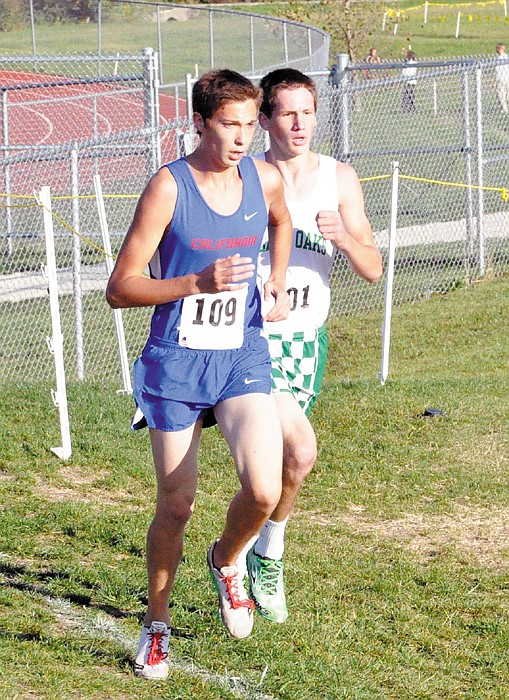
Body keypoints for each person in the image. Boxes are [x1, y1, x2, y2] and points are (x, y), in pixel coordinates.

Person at [106, 68, 293, 679]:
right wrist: (194, 283)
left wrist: (277, 279)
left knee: (265, 489)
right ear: (199, 123)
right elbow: (119, 288)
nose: (244, 137)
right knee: (177, 502)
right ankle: (156, 624)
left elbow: (281, 221)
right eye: (229, 125)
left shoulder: (263, 176)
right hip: (177, 362)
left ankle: (227, 559)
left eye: (250, 123)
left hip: (240, 354)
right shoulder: (168, 187)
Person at [236, 68, 383, 624]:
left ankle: (250, 550)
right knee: (298, 451)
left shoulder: (339, 180)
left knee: (283, 465)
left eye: (309, 112)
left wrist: (342, 237)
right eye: (288, 113)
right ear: (267, 119)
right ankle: (257, 557)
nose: (300, 124)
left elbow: (372, 269)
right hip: (246, 337)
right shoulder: (244, 174)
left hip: (302, 343)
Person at [494, 43, 509, 114]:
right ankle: (504, 108)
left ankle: (505, 109)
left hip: (502, 78)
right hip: (505, 78)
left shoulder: (500, 58)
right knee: (504, 94)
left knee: (502, 95)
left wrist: (495, 81)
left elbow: (497, 71)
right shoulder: (506, 57)